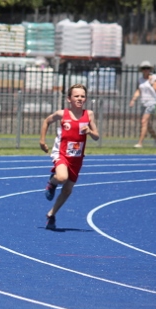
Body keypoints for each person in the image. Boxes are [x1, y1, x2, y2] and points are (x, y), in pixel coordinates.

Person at [39, 83, 99, 230]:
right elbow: (46, 121)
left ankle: (51, 215)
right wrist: (42, 141)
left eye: (82, 96)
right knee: (61, 177)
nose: (79, 98)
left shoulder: (89, 114)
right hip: (61, 153)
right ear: (69, 99)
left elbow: (96, 136)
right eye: (76, 96)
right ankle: (52, 183)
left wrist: (90, 132)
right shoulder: (62, 114)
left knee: (67, 190)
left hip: (77, 158)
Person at [129, 60, 156, 148]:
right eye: (144, 68)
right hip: (143, 103)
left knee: (144, 121)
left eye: (147, 68)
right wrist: (133, 100)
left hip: (152, 102)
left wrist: (151, 82)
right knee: (146, 124)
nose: (146, 70)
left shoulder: (153, 77)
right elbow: (139, 90)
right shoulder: (140, 79)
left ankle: (140, 143)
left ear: (150, 69)